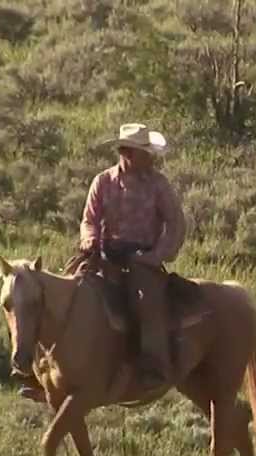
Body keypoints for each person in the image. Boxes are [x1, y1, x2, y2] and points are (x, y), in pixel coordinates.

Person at [79, 123, 187, 389]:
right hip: (104, 253)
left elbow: (176, 223)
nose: (150, 158)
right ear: (127, 153)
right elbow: (89, 219)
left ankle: (154, 365)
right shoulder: (102, 181)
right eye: (145, 152)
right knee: (69, 288)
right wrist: (89, 238)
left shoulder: (158, 185)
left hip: (141, 258)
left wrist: (157, 256)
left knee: (146, 301)